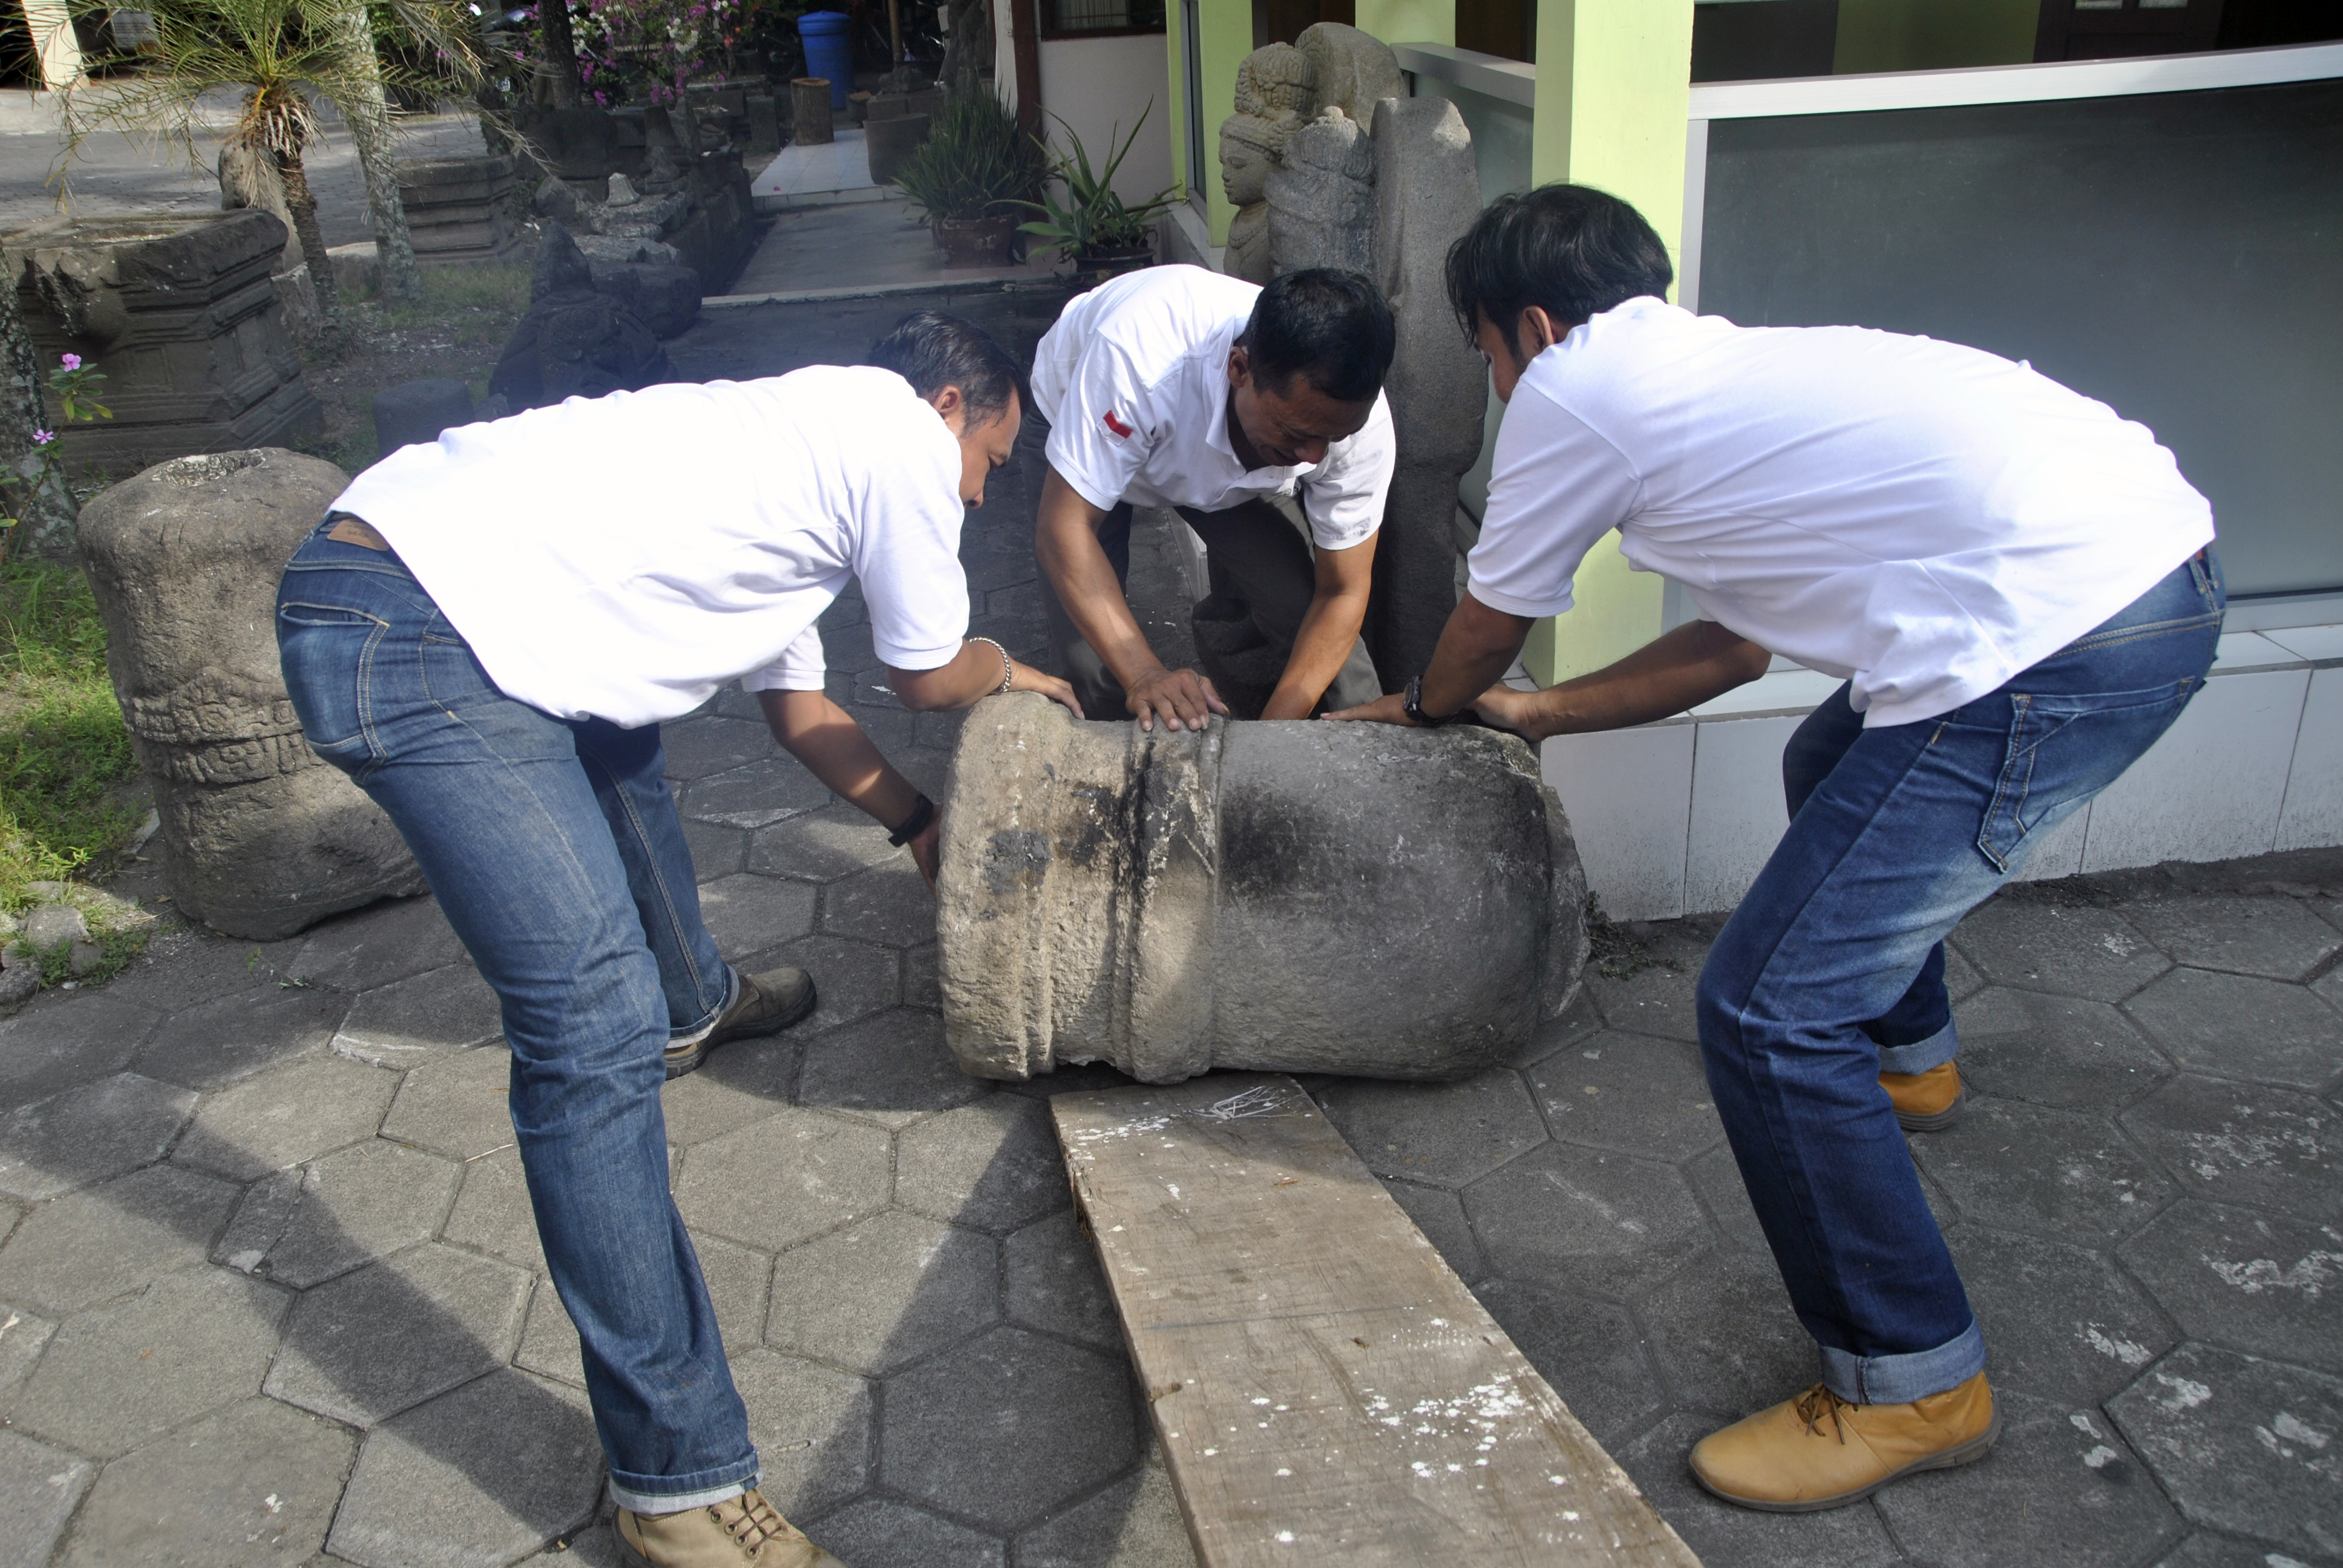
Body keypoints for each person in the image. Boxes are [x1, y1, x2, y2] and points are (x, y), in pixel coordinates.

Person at [1334, 184, 2221, 1512]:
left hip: (2062, 638)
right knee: (1827, 757)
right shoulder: (1709, 390)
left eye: (1484, 355)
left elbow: (1486, 618)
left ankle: (1914, 1379)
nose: (1501, 385)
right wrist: (1534, 719)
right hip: (2147, 577)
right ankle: (1907, 1068)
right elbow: (1728, 648)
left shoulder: (1579, 388)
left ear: (1527, 327)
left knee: (1763, 1011)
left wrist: (1420, 708)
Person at [274, 313, 1077, 1568]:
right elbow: (927, 671)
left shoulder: (789, 466)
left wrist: (917, 825)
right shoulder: (891, 436)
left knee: (621, 738)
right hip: (415, 632)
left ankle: (693, 1000)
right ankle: (676, 1483)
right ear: (947, 409)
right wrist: (1018, 673)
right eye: (994, 457)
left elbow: (801, 712)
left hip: (409, 584)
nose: (984, 488)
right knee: (588, 1040)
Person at [1032, 263, 1397, 729]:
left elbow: (1342, 591)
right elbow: (1063, 529)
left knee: (1302, 613)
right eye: (1297, 433)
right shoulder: (1140, 356)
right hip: (1084, 423)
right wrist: (1145, 673)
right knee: (1094, 667)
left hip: (1222, 456)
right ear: (1239, 368)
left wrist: (1269, 738)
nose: (1312, 457)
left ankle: (1365, 765)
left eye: (1335, 436)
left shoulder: (1357, 426)